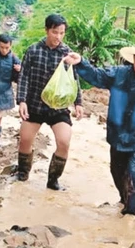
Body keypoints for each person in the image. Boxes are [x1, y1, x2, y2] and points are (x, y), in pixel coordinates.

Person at [63, 41, 135, 217]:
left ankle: (131, 213)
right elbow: (97, 76)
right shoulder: (119, 74)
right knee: (116, 171)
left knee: (133, 172)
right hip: (116, 135)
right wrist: (81, 62)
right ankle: (124, 199)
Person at [14, 14, 84, 189]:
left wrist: (78, 103)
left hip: (58, 107)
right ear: (46, 30)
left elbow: (74, 80)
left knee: (64, 141)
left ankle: (53, 179)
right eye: (55, 32)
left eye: (62, 33)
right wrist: (22, 100)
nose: (58, 37)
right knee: (25, 139)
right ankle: (23, 173)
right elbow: (24, 77)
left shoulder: (67, 54)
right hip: (35, 105)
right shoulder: (33, 50)